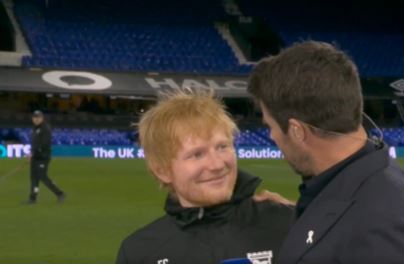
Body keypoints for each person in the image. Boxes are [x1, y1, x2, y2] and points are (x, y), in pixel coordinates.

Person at [247, 41, 404, 263]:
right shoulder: (364, 167)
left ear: (298, 131)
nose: (271, 137)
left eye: (270, 126)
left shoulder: (383, 232)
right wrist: (300, 212)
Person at [116, 90, 294, 264]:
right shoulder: (139, 254)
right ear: (163, 171)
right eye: (197, 154)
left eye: (222, 147)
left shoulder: (290, 224)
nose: (217, 165)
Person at [26, 110, 65, 204]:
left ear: (42, 118)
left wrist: (33, 152)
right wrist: (31, 152)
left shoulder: (46, 129)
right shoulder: (35, 128)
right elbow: (34, 143)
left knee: (42, 177)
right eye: (34, 117)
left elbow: (44, 143)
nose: (36, 119)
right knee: (34, 178)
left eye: (38, 117)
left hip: (43, 157)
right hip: (36, 156)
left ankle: (59, 193)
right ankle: (32, 198)